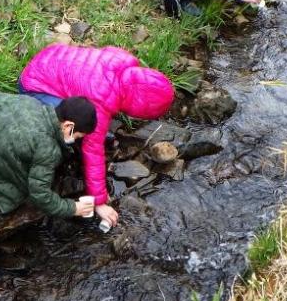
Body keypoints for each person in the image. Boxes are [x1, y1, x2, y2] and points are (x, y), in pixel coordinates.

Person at [18, 45, 175, 227]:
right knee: (78, 129)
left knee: (93, 125)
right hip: (33, 87)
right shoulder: (99, 102)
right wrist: (98, 201)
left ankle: (94, 131)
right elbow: (93, 153)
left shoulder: (125, 60)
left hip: (49, 58)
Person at [0, 93, 99, 218]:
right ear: (68, 126)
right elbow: (40, 195)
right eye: (78, 136)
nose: (77, 139)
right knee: (16, 196)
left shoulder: (29, 102)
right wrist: (73, 208)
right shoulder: (48, 149)